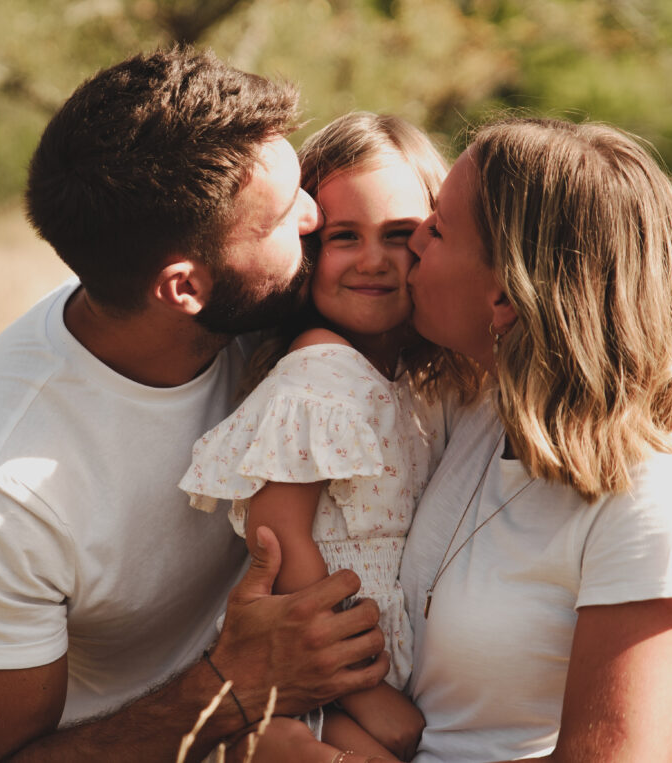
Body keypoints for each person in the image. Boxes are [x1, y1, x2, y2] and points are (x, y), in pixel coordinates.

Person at [0, 46, 390, 763]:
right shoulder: (1, 481)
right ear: (183, 287)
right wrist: (234, 686)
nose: (313, 217)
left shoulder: (270, 305)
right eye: (276, 219)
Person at [244, 116, 672, 762]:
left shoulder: (657, 493)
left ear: (506, 296)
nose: (412, 243)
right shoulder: (471, 410)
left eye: (436, 228)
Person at [181, 112, 470, 762]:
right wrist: (364, 692)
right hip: (320, 672)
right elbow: (278, 536)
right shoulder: (321, 367)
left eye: (400, 234)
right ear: (309, 248)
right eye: (345, 236)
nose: (374, 260)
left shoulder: (413, 379)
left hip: (370, 659)